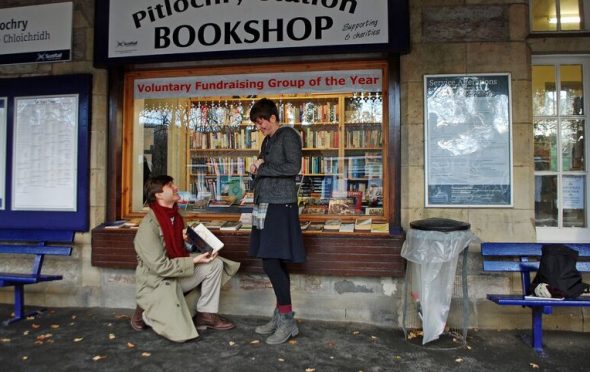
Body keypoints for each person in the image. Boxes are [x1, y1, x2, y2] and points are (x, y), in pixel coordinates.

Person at [130, 175, 240, 342]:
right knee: (179, 331)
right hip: (158, 282)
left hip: (177, 274)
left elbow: (180, 249)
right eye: (169, 185)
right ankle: (146, 310)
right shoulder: (148, 227)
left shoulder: (176, 216)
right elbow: (161, 267)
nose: (175, 187)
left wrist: (200, 247)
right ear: (158, 194)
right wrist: (195, 260)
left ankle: (206, 315)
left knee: (215, 264)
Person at [248, 98, 305, 344]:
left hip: (280, 206)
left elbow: (293, 167)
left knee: (271, 261)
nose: (260, 127)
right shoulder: (268, 140)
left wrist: (261, 168)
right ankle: (281, 314)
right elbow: (266, 165)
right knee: (275, 261)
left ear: (273, 117)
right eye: (257, 124)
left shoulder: (288, 135)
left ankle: (288, 320)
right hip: (265, 204)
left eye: (262, 122)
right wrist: (256, 167)